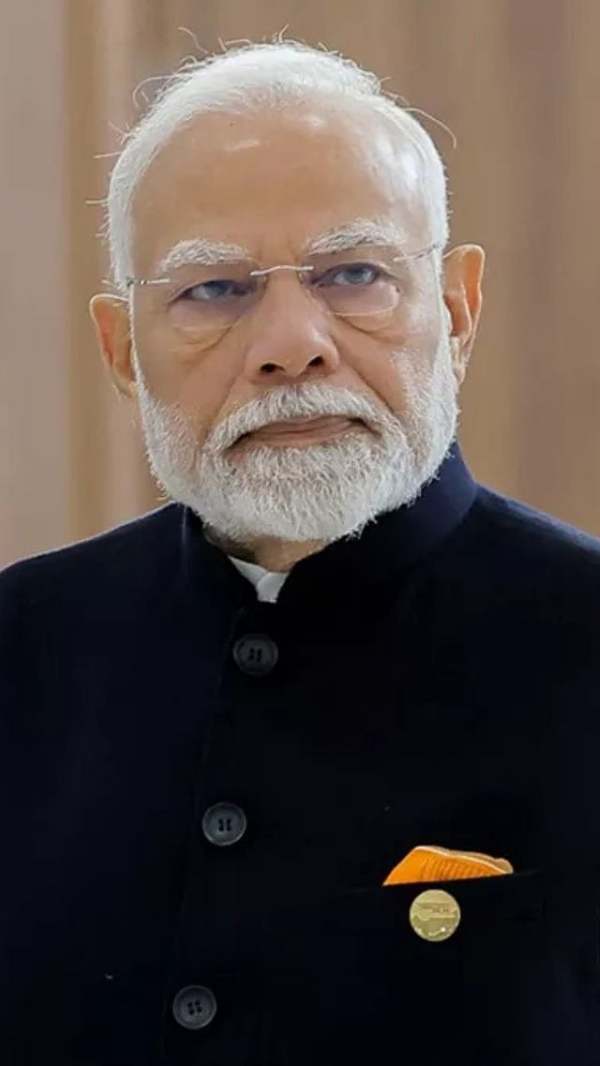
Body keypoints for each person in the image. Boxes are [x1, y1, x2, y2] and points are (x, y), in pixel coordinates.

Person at [2, 38, 600, 1066]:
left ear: (458, 309)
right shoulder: (24, 645)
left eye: (355, 274)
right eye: (213, 290)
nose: (291, 344)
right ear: (122, 350)